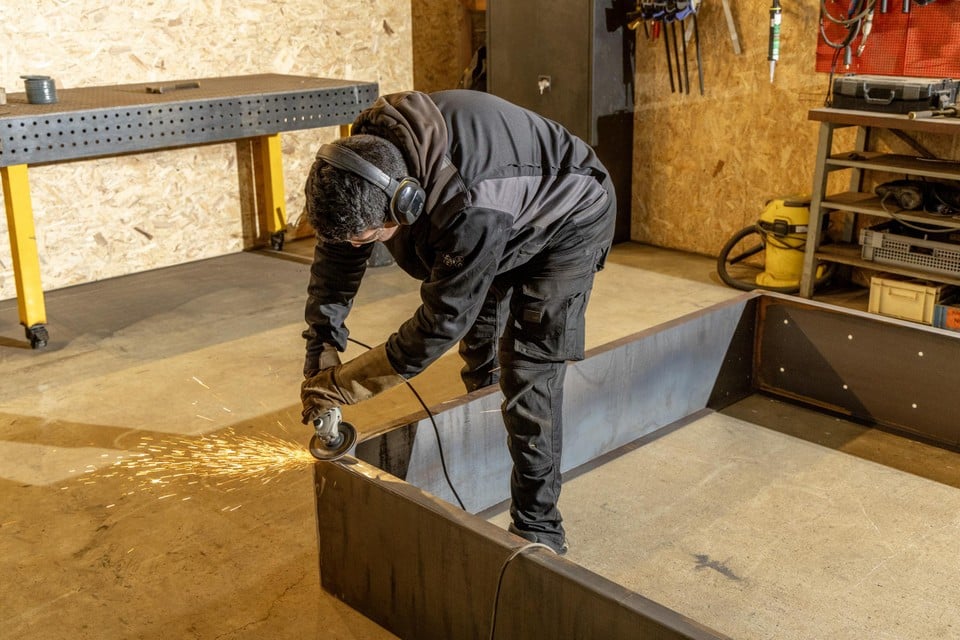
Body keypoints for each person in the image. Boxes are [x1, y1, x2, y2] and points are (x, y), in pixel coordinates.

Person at [300, 89, 616, 555]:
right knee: (482, 344)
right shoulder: (360, 166)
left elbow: (440, 323)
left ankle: (539, 528)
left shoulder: (469, 204)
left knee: (528, 372)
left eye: (367, 238)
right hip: (503, 215)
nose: (358, 247)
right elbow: (337, 261)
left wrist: (348, 384)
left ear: (406, 203)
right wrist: (321, 345)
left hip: (570, 218)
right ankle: (490, 450)